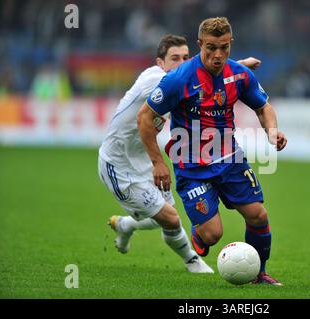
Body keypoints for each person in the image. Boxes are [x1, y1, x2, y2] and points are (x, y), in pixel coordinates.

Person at [138, 18, 287, 285]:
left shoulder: (238, 74)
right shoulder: (179, 79)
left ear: (230, 45)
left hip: (229, 158)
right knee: (212, 235)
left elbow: (263, 107)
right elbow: (145, 117)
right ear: (200, 45)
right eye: (211, 48)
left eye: (224, 48)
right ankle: (200, 233)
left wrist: (271, 131)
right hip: (191, 167)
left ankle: (259, 274)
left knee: (258, 215)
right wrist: (157, 161)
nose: (218, 55)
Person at [98, 34, 262, 274]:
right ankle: (192, 262)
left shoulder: (183, 81)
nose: (182, 63)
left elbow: (200, 71)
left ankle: (125, 225)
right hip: (118, 164)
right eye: (175, 58)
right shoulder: (153, 79)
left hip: (144, 158)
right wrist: (236, 65)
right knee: (171, 219)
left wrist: (236, 67)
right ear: (160, 63)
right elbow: (191, 73)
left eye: (186, 57)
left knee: (164, 216)